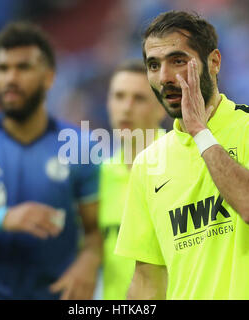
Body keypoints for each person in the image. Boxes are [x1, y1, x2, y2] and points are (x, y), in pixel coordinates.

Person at [115, 10, 249, 300]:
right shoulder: (148, 164)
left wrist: (200, 132)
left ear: (213, 62)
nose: (164, 77)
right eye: (153, 65)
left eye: (177, 61)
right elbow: (146, 282)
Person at [0, 22, 102, 300]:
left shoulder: (80, 145)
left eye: (23, 68)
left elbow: (95, 232)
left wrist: (89, 263)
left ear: (48, 77)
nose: (10, 78)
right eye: (2, 68)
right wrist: (0, 219)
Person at [98, 60, 165, 300]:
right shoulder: (98, 178)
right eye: (118, 96)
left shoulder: (185, 163)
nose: (126, 108)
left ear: (161, 107)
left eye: (139, 98)